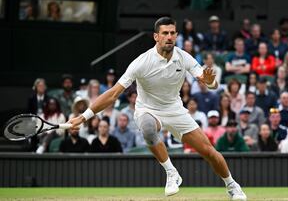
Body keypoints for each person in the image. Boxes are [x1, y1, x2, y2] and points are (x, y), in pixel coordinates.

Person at [68, 17, 247, 200]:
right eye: (165, 33)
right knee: (147, 127)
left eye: (172, 33)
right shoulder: (141, 63)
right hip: (148, 109)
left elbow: (211, 83)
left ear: (176, 35)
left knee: (209, 152)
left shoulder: (184, 57)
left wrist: (211, 82)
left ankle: (232, 185)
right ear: (156, 36)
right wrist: (83, 117)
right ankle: (171, 172)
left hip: (175, 110)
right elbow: (113, 94)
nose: (169, 37)